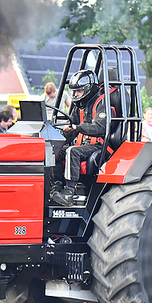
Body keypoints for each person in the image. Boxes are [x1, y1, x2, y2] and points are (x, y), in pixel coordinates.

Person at [51, 69, 119, 206]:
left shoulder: (103, 104)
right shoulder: (79, 106)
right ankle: (56, 187)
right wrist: (61, 137)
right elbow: (72, 130)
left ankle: (69, 192)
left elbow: (101, 128)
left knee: (72, 151)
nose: (75, 95)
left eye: (78, 91)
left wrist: (78, 127)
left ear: (88, 90)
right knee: (55, 150)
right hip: (84, 145)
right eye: (74, 92)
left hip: (100, 145)